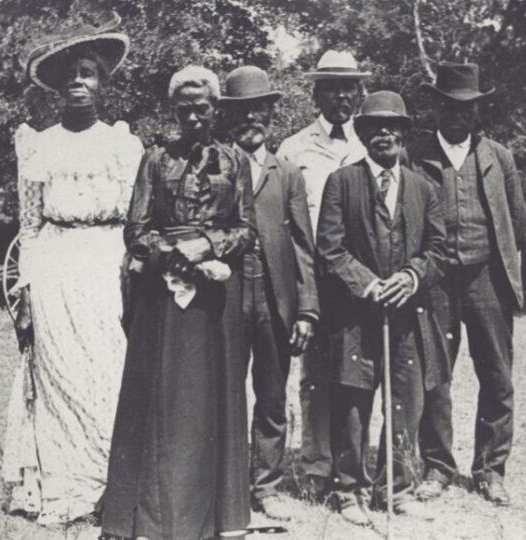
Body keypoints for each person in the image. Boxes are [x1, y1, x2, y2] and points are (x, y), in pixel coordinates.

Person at [100, 66, 257, 540]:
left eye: (202, 107)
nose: (193, 115)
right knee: (159, 398)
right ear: (174, 110)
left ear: (215, 110)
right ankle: (146, 516)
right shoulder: (154, 160)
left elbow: (247, 229)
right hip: (162, 295)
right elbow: (136, 227)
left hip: (213, 298)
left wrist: (207, 245)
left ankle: (214, 518)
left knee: (211, 401)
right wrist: (171, 255)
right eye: (184, 107)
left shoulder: (235, 162)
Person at [2, 12, 144, 525]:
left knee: (106, 372)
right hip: (56, 267)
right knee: (59, 374)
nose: (79, 83)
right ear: (58, 88)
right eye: (71, 76)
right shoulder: (39, 145)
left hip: (107, 267)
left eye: (89, 73)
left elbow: (136, 223)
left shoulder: (123, 145)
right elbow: (31, 226)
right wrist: (28, 290)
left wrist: (133, 276)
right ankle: (63, 486)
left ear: (104, 83)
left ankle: (109, 484)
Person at [316, 91, 449, 525]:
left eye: (393, 126)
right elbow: (330, 250)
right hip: (356, 316)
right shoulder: (343, 182)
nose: (384, 134)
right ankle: (348, 489)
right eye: (374, 127)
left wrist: (410, 278)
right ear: (363, 133)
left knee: (405, 403)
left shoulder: (423, 187)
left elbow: (438, 249)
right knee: (353, 401)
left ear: (404, 134)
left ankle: (398, 487)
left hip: (407, 315)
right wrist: (369, 285)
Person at [406, 62, 526, 506]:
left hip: (487, 279)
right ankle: (437, 466)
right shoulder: (413, 155)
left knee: (496, 375)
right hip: (434, 282)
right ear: (436, 107)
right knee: (434, 376)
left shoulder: (499, 157)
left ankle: (491, 470)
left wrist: (493, 262)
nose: (459, 115)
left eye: (468, 108)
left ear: (477, 112)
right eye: (450, 106)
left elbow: (517, 221)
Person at [218, 66, 319, 521]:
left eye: (258, 110)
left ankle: (268, 484)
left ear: (271, 115)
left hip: (276, 297)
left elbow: (303, 244)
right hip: (226, 296)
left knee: (272, 396)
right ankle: (226, 482)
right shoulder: (214, 165)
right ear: (229, 117)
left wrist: (307, 310)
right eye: (241, 112)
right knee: (225, 391)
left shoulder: (289, 173)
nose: (250, 120)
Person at [275, 50, 370, 498]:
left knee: (355, 375)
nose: (342, 96)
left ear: (359, 92)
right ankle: (315, 468)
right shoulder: (293, 149)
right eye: (332, 86)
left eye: (349, 87)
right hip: (312, 278)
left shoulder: (370, 144)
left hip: (358, 280)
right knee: (314, 374)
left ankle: (353, 466)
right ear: (315, 91)